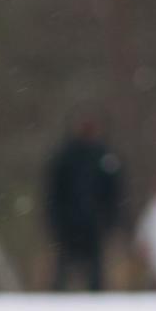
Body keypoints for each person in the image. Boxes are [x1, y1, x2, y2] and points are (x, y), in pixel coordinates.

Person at [43, 115, 124, 293]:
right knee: (63, 267)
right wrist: (56, 219)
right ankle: (56, 300)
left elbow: (114, 193)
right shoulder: (66, 156)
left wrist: (110, 220)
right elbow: (54, 190)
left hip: (94, 223)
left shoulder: (105, 158)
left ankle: (95, 301)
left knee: (95, 269)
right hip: (69, 223)